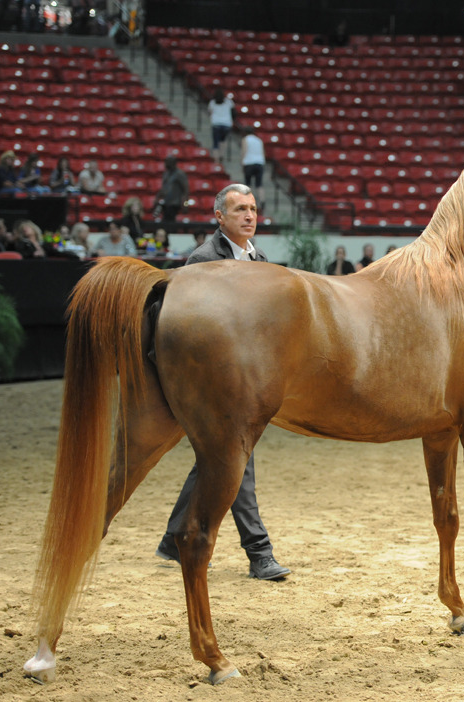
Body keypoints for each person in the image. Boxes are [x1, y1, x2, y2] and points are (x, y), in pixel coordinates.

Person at [155, 183, 290, 582]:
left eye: (252, 208)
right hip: (210, 380)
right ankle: (259, 553)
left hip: (247, 378)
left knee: (215, 461)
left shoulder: (260, 258)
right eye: (239, 210)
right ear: (219, 218)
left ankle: (171, 540)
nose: (250, 216)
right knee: (236, 460)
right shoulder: (201, 261)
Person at [155, 155, 189, 224]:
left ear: (174, 163)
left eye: (168, 162)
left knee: (171, 222)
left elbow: (186, 190)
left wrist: (185, 204)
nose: (166, 164)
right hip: (165, 202)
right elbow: (163, 188)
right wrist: (157, 198)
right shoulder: (166, 173)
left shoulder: (180, 174)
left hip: (174, 203)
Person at [240, 126, 265, 207]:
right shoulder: (259, 140)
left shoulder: (245, 139)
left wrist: (242, 162)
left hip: (249, 163)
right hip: (259, 163)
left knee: (248, 184)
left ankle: (249, 201)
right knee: (259, 184)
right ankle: (262, 201)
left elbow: (244, 151)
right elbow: (262, 153)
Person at [208, 88, 234, 165]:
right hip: (226, 124)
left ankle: (216, 160)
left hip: (216, 124)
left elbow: (210, 112)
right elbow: (233, 111)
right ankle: (221, 155)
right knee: (223, 140)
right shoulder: (229, 102)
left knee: (215, 143)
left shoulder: (212, 103)